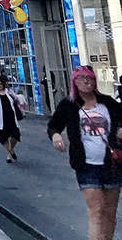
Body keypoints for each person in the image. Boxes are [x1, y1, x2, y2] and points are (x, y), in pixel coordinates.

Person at [49, 66, 122, 240]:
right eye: (81, 78)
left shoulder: (107, 102)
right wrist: (55, 135)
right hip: (86, 165)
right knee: (96, 211)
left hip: (112, 164)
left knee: (110, 213)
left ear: (95, 80)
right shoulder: (69, 104)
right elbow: (54, 124)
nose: (86, 81)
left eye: (88, 78)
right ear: (74, 81)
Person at [0, 74, 26, 163]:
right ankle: (9, 154)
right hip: (0, 119)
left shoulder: (9, 91)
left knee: (15, 135)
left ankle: (10, 149)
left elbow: (18, 101)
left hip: (11, 117)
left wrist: (13, 97)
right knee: (3, 138)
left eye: (1, 84)